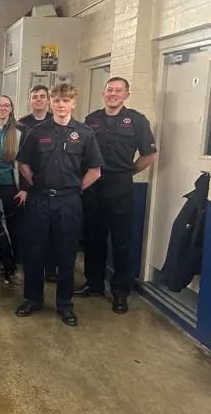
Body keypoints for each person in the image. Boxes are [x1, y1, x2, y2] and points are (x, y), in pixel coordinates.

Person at [15, 83, 104, 327]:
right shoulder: (37, 132)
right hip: (40, 200)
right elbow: (23, 164)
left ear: (73, 103)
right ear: (50, 103)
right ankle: (33, 299)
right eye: (56, 100)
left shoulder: (85, 134)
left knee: (66, 255)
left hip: (69, 202)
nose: (61, 105)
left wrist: (76, 189)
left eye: (66, 101)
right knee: (34, 253)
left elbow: (95, 170)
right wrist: (36, 185)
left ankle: (65, 304)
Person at [75, 76, 158, 314]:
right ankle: (93, 284)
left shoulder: (137, 121)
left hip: (121, 186)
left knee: (121, 242)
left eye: (118, 90)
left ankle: (120, 293)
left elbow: (150, 155)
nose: (113, 94)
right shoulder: (91, 119)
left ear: (126, 95)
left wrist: (128, 172)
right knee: (93, 239)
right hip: (94, 186)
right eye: (109, 90)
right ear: (103, 93)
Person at [0, 95, 26, 285]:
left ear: (11, 109)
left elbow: (25, 163)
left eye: (6, 105)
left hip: (11, 186)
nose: (2, 108)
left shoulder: (19, 131)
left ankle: (14, 266)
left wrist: (25, 189)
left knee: (14, 228)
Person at [16, 85, 56, 282]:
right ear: (29, 101)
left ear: (48, 100)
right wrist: (26, 187)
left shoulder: (57, 121)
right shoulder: (21, 125)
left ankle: (51, 267)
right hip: (29, 184)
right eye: (35, 97)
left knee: (53, 231)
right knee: (31, 229)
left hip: (53, 185)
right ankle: (29, 266)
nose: (39, 99)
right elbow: (20, 160)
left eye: (42, 96)